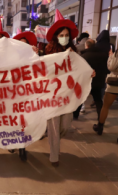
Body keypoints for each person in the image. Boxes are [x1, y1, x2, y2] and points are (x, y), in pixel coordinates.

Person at [45, 9, 79, 167]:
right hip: (52, 95)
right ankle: (54, 156)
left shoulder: (75, 52)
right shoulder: (48, 52)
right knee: (53, 125)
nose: (64, 38)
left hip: (68, 96)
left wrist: (90, 73)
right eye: (61, 35)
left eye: (66, 35)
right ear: (56, 37)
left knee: (65, 125)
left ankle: (54, 139)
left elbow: (81, 70)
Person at [10, 28, 39, 161]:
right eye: (20, 44)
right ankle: (13, 141)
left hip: (27, 94)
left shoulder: (33, 57)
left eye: (25, 44)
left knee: (24, 122)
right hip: (11, 94)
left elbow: (40, 69)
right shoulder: (10, 58)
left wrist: (36, 55)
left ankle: (22, 147)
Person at [81, 39, 109, 120]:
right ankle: (100, 118)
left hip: (87, 81)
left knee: (81, 99)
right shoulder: (103, 55)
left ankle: (76, 114)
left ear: (87, 46)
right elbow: (106, 69)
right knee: (98, 100)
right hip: (98, 81)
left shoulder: (84, 56)